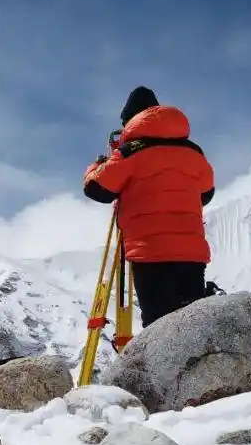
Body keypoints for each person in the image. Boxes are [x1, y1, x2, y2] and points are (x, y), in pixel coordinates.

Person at [82, 85, 216, 328]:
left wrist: (96, 166)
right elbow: (205, 195)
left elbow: (97, 189)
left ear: (129, 121)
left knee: (158, 329)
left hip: (150, 252)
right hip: (192, 253)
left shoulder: (130, 152)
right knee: (194, 326)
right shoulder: (194, 152)